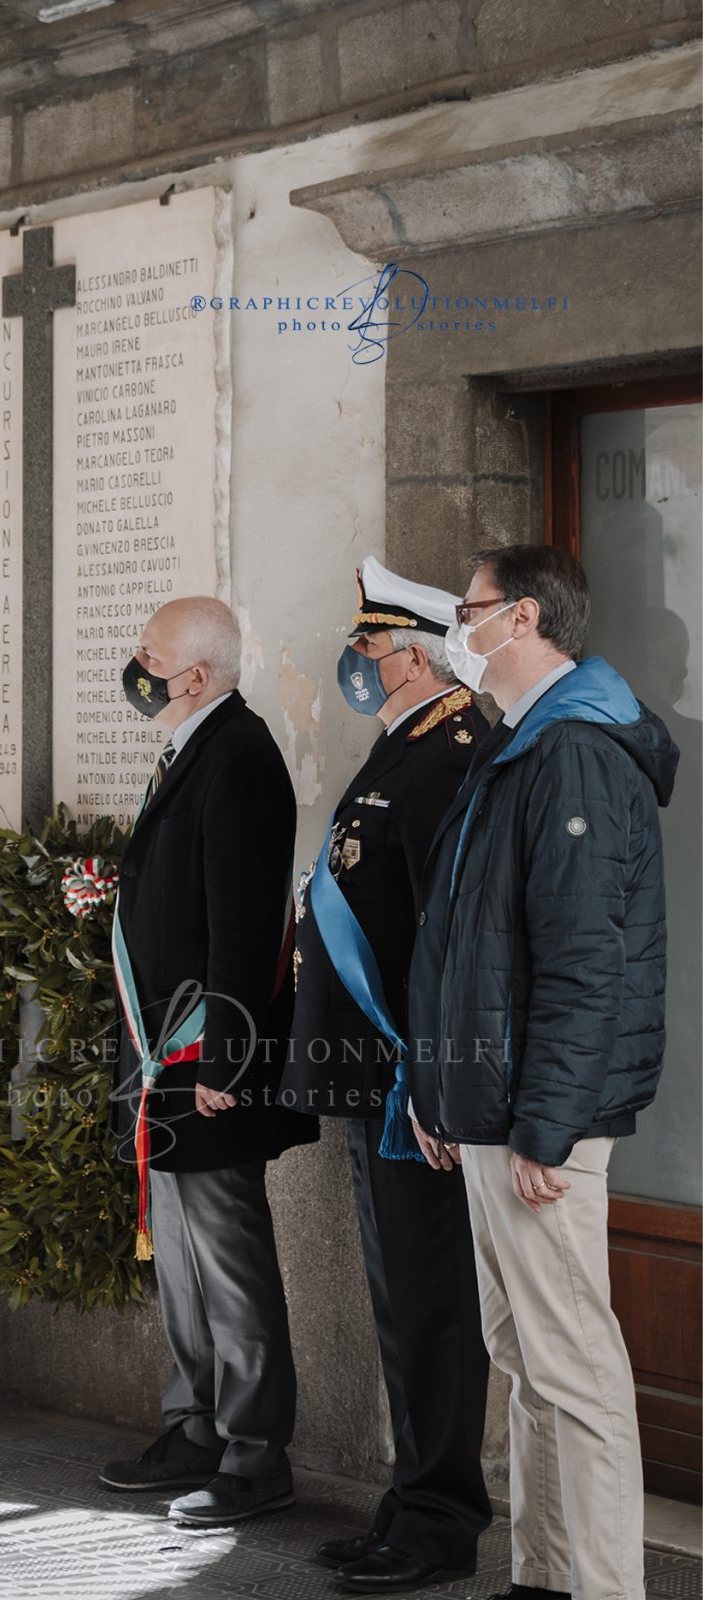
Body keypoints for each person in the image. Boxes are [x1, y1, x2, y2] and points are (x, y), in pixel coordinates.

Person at [407, 545, 679, 1600]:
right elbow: (474, 945)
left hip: (538, 1117)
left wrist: (545, 1124)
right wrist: (440, 1092)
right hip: (494, 1104)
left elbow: (583, 960)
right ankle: (543, 1574)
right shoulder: (523, 740)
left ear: (519, 617)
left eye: (465, 609)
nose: (452, 630)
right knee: (523, 1358)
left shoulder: (571, 750)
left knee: (574, 1373)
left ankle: (603, 1588)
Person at [281, 556, 492, 1594]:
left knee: (435, 1306)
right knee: (400, 1303)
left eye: (366, 645)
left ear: (412, 655)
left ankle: (443, 1520)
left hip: (418, 1086)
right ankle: (410, 1501)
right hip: (379, 1078)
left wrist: (440, 1084)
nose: (353, 661)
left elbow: (451, 944)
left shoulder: (450, 756)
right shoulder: (402, 747)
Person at [98, 596, 318, 1526]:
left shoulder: (240, 756)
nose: (137, 664)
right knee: (183, 1262)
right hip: (169, 1062)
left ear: (193, 674)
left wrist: (228, 1060)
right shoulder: (195, 747)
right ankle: (196, 1427)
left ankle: (257, 1452)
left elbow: (244, 923)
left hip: (206, 1063)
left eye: (151, 654)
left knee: (227, 1261)